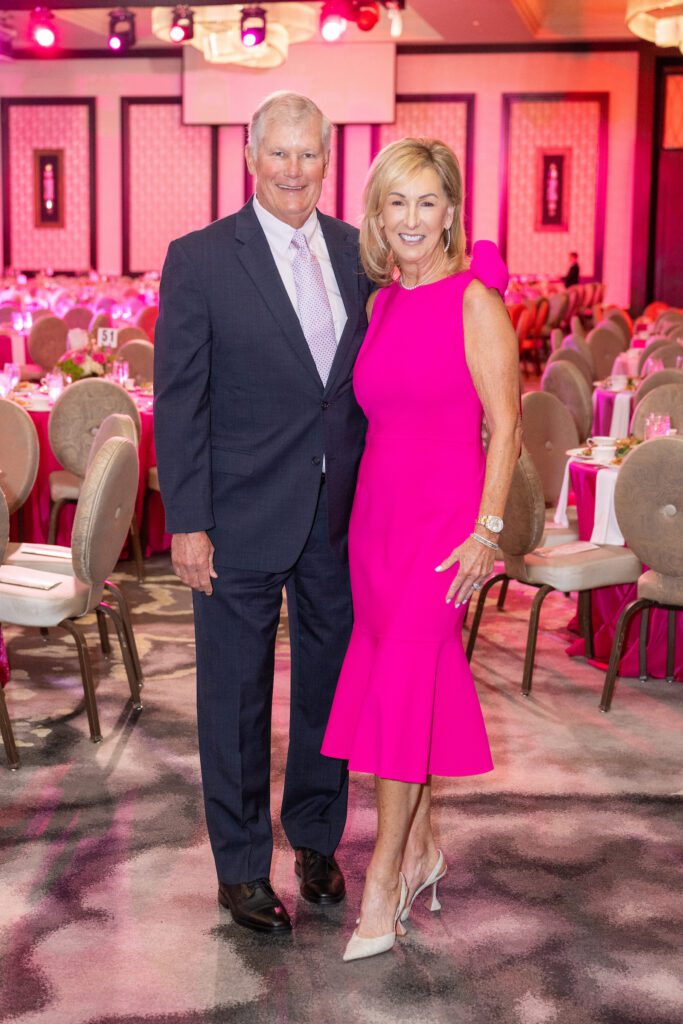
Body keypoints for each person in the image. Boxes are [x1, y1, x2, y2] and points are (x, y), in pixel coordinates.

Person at [154, 92, 372, 935]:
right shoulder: (201, 257)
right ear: (249, 158)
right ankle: (240, 868)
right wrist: (186, 520)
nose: (292, 170)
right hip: (236, 517)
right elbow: (179, 401)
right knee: (233, 700)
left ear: (328, 159)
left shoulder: (361, 254)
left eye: (307, 154)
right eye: (277, 154)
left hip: (338, 517)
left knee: (328, 690)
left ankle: (316, 838)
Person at [321, 138, 522, 961]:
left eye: (426, 201)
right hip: (375, 526)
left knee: (402, 694)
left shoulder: (475, 300)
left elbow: (507, 424)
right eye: (395, 202)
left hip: (443, 532)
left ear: (450, 210)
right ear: (377, 212)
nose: (410, 219)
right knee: (395, 690)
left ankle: (384, 876)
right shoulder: (378, 305)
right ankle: (426, 844)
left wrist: (486, 531)